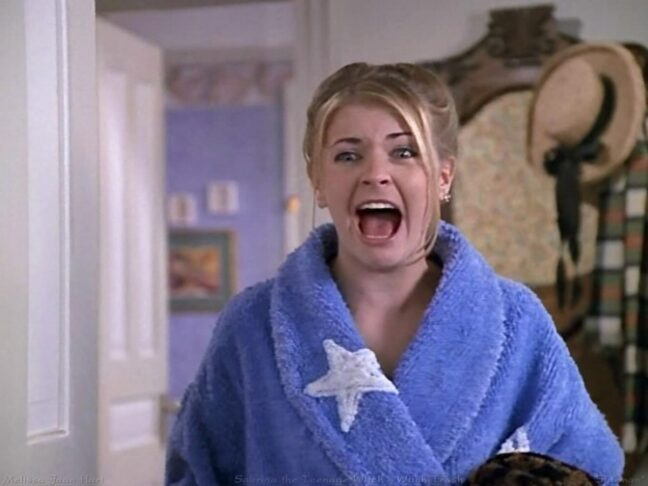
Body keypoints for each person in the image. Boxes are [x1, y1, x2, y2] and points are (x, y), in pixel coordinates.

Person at [165, 63, 623, 485]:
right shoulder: (253, 324)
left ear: (443, 177)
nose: (376, 174)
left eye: (404, 152)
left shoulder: (515, 321)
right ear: (318, 180)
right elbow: (195, 473)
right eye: (348, 156)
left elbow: (592, 466)